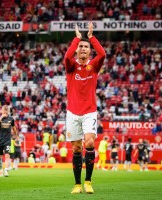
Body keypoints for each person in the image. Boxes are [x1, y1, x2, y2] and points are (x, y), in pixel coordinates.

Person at [64, 22, 106, 194]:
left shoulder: (94, 66)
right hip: (72, 112)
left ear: (89, 51)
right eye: (80, 47)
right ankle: (77, 184)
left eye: (85, 47)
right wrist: (76, 39)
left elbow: (102, 53)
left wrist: (90, 37)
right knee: (75, 148)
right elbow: (67, 57)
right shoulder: (71, 66)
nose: (82, 49)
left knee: (89, 142)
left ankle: (88, 181)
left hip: (89, 111)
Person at [0, 105, 18, 177]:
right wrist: (1, 117)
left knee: (7, 155)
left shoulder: (11, 119)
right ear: (2, 111)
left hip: (7, 140)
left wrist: (16, 135)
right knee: (0, 156)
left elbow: (14, 128)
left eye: (7, 110)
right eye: (4, 110)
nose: (5, 111)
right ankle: (1, 170)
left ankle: (6, 170)